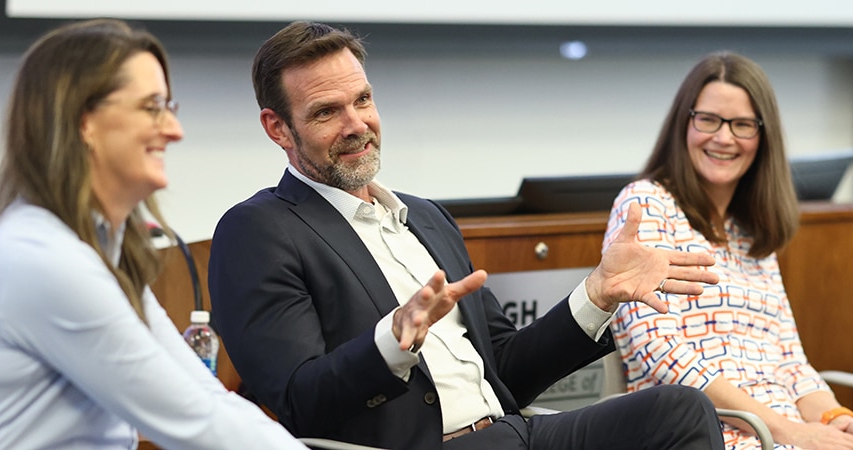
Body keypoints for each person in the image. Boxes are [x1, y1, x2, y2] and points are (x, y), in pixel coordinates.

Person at [208, 20, 728, 450]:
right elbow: (299, 399)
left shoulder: (427, 217)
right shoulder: (257, 231)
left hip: (512, 432)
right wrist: (390, 342)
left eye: (362, 100)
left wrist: (596, 296)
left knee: (679, 412)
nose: (356, 124)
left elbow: (506, 370)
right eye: (326, 112)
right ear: (278, 128)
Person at [0, 19, 304, 450]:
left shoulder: (93, 252)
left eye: (169, 107)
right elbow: (194, 421)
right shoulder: (43, 261)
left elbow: (203, 395)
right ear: (84, 122)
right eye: (152, 107)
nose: (174, 130)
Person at [608, 52, 853, 450]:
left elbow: (790, 361)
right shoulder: (646, 203)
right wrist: (786, 431)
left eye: (742, 125)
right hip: (702, 432)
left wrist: (837, 420)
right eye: (708, 120)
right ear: (683, 124)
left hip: (783, 432)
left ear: (763, 136)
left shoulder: (751, 232)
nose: (724, 138)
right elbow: (659, 352)